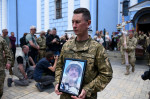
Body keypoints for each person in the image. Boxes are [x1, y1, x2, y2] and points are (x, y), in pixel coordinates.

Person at [55, 8, 113, 99]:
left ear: (88, 23)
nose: (74, 26)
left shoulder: (97, 48)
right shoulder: (67, 46)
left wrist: (87, 89)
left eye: (77, 22)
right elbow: (59, 66)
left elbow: (106, 74)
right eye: (72, 22)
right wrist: (58, 82)